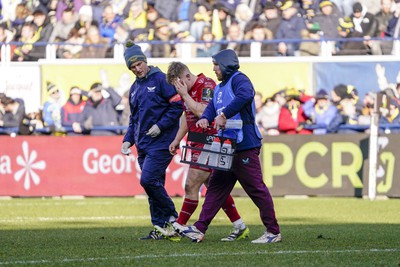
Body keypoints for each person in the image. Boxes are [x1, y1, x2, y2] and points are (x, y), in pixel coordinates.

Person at [179, 49, 281, 244]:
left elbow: (245, 96)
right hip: (226, 145)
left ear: (226, 64)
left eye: (216, 65)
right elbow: (211, 109)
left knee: (256, 189)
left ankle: (273, 231)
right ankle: (199, 229)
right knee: (216, 188)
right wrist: (206, 119)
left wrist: (223, 115)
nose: (214, 69)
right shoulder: (219, 88)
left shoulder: (239, 79)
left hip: (244, 145)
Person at [165, 61, 249, 242]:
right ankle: (240, 226)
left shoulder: (207, 85)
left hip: (210, 141)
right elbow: (187, 117)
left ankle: (179, 226)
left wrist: (185, 95)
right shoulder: (185, 91)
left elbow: (202, 111)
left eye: (179, 83)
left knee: (191, 184)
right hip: (197, 141)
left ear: (187, 76)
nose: (178, 88)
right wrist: (177, 139)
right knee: (214, 188)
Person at [120, 41, 183, 240]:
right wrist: (128, 139)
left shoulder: (161, 79)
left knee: (147, 180)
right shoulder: (134, 88)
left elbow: (177, 106)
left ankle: (173, 217)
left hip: (162, 142)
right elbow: (134, 118)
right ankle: (160, 227)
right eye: (132, 67)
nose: (137, 69)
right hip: (143, 144)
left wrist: (161, 126)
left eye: (138, 64)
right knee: (153, 186)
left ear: (145, 61)